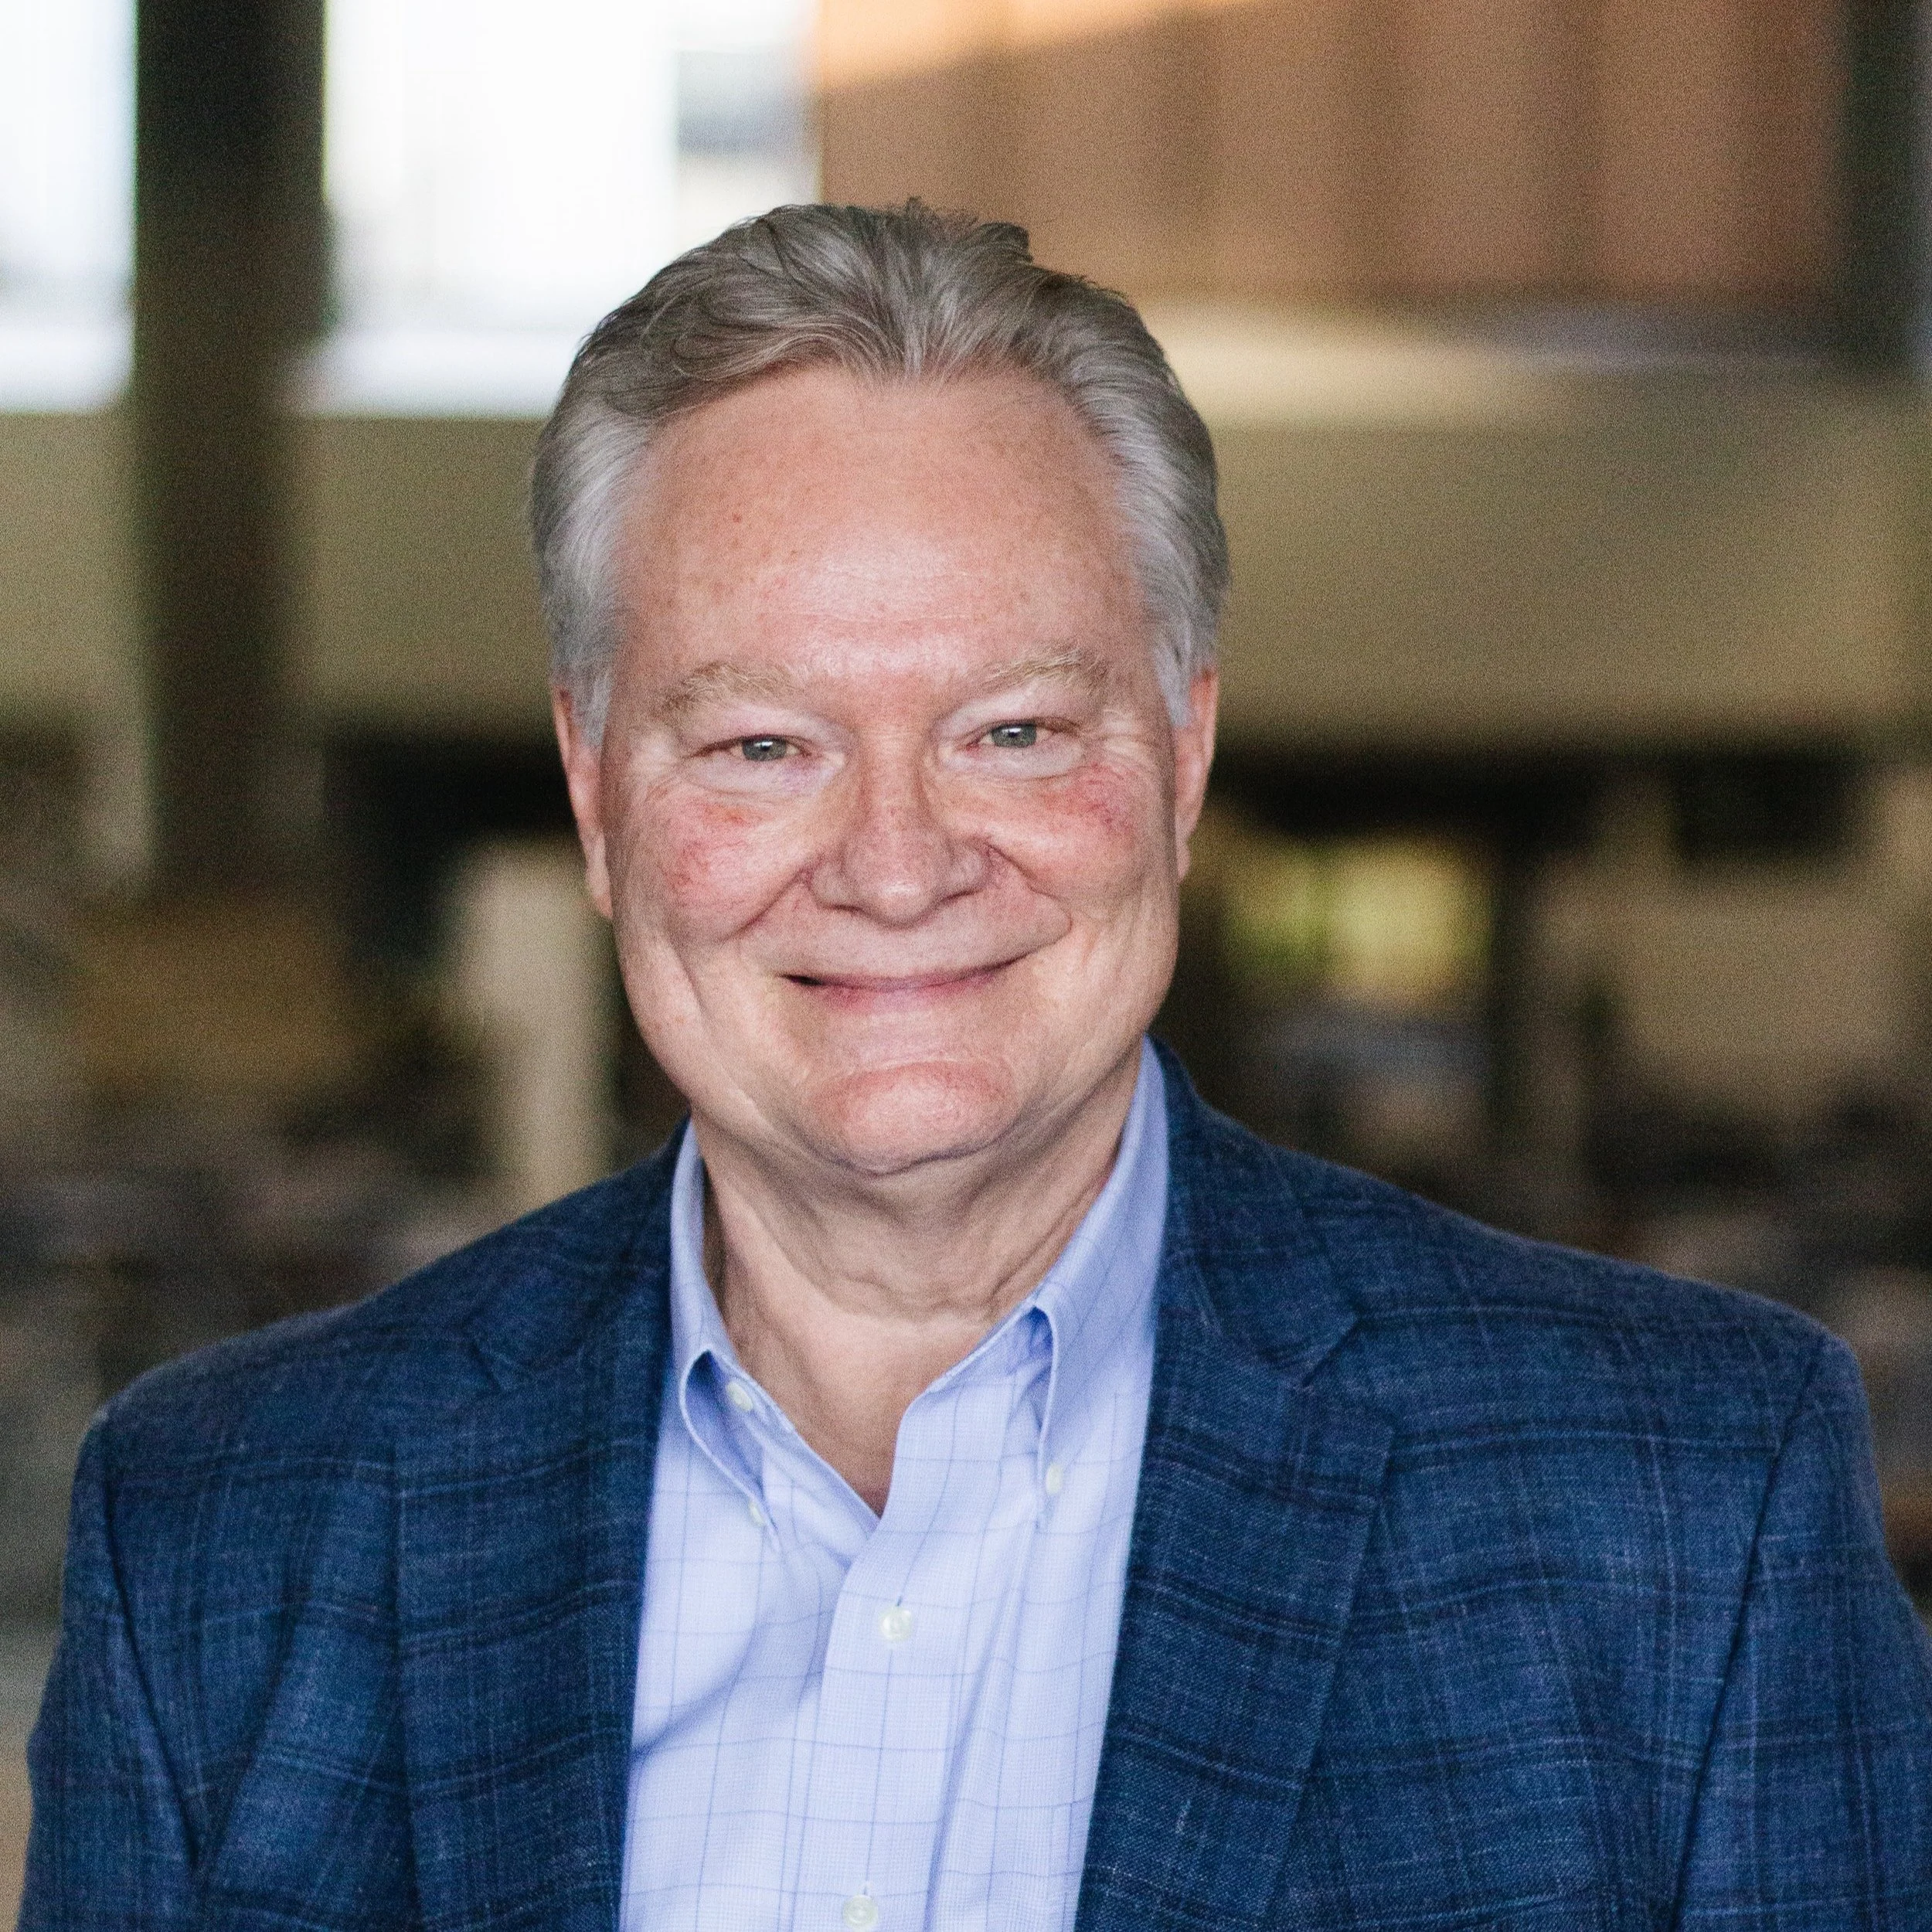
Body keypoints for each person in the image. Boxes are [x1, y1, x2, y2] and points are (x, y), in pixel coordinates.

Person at [22, 202, 1931, 1930]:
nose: (898, 857)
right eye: (762, 743)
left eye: (1014, 729)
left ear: (1180, 759)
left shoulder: (1676, 1508)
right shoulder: (227, 1528)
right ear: (598, 793)